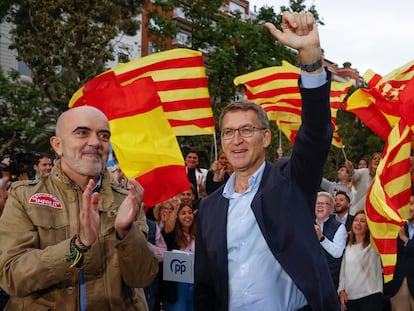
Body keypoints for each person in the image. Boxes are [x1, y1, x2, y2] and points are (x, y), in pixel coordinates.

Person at [195, 11, 341, 311]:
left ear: (265, 137)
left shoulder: (291, 181)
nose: (237, 140)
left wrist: (311, 58)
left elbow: (315, 134)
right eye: (228, 133)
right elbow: (206, 286)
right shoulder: (209, 208)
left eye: (246, 130)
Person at [0, 106, 158, 310]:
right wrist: (78, 245)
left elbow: (143, 277)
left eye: (104, 135)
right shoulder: (24, 196)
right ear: (58, 145)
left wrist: (125, 233)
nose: (95, 142)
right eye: (82, 132)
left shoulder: (127, 201)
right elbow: (12, 276)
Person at [338, 211, 384, 311]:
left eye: (363, 221)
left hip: (370, 297)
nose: (358, 223)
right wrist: (341, 291)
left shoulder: (373, 245)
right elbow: (343, 273)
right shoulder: (348, 248)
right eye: (356, 220)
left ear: (368, 226)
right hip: (350, 299)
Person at [384, 185, 414, 311]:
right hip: (399, 286)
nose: (408, 208)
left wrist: (405, 240)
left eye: (412, 204)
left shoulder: (401, 233)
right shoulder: (395, 227)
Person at [161, 203, 195, 311]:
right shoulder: (173, 235)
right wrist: (175, 209)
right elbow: (167, 229)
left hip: (195, 282)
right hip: (176, 286)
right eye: (183, 213)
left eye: (190, 213)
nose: (187, 216)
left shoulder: (198, 234)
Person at [314, 191, 348, 289]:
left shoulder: (339, 227)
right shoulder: (307, 223)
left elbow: (338, 252)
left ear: (331, 208)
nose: (319, 206)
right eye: (317, 203)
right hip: (309, 278)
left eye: (324, 203)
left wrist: (322, 238)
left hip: (328, 281)